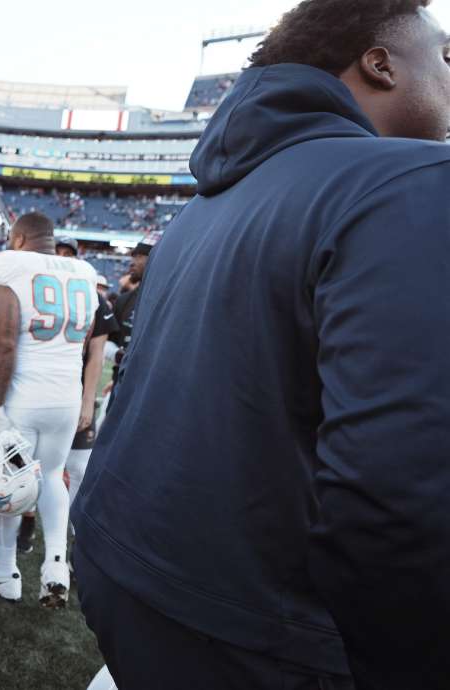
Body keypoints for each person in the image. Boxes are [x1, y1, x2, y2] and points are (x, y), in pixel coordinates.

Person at [74, 1, 450, 687]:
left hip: (128, 579)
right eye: (446, 56)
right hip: (263, 631)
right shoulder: (414, 180)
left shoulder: (201, 208)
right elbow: (397, 498)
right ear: (381, 63)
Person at [0, 212, 98, 607]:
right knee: (52, 476)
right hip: (65, 395)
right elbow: (81, 345)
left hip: (22, 398)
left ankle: (6, 572)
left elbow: (3, 341)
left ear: (17, 238)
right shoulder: (85, 270)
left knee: (6, 484)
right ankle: (56, 564)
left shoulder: (9, 264)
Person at [54, 236, 117, 506]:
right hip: (40, 387)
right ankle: (27, 524)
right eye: (58, 252)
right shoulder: (31, 289)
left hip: (74, 389)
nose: (62, 258)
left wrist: (88, 402)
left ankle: (67, 514)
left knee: (78, 466)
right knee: (32, 464)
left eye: (68, 253)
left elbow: (96, 356)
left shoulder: (93, 299)